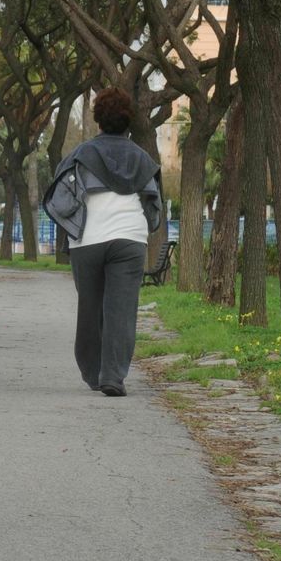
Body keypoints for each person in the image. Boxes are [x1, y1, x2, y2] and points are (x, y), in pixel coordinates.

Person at [43, 88, 162, 397]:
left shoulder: (81, 154)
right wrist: (147, 226)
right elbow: (153, 202)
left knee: (90, 307)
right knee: (122, 311)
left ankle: (93, 372)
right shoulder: (143, 158)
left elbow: (59, 195)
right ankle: (114, 376)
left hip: (88, 239)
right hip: (130, 239)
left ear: (98, 120)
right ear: (129, 122)